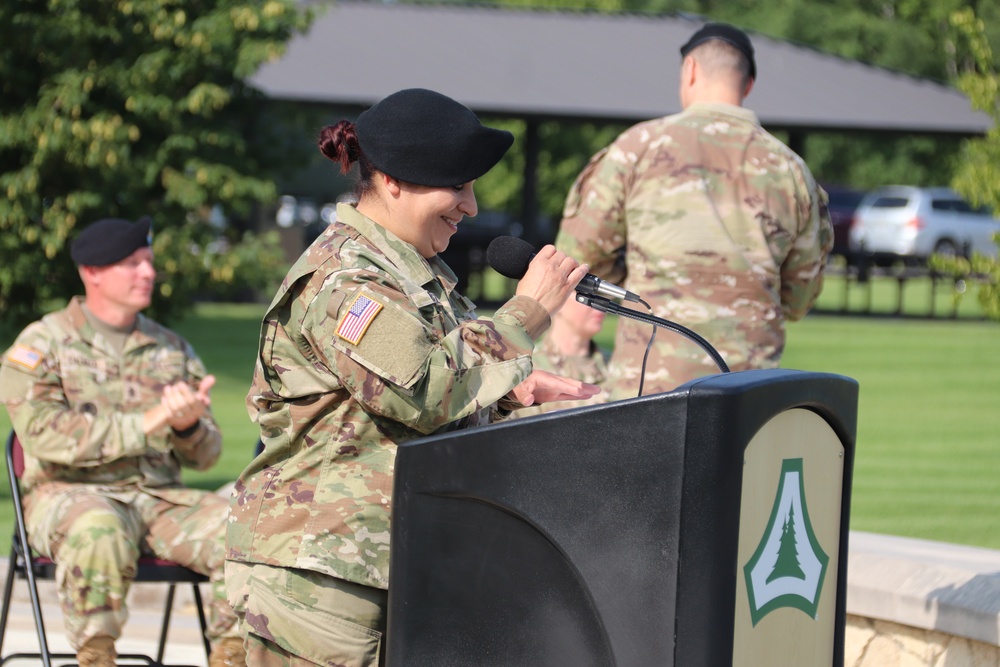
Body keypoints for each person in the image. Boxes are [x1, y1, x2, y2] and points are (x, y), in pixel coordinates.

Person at [225, 88, 599, 667]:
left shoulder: (414, 273)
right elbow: (426, 390)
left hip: (395, 559)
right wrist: (528, 313)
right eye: (458, 186)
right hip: (327, 576)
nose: (471, 207)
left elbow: (424, 385)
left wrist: (509, 394)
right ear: (395, 179)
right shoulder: (346, 279)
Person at [0, 217, 246, 667]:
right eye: (132, 264)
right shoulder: (42, 344)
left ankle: (232, 655)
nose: (148, 273)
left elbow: (208, 456)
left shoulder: (170, 349)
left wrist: (189, 426)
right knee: (100, 527)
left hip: (155, 500)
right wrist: (149, 421)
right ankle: (97, 657)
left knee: (248, 525)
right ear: (92, 272)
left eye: (149, 263)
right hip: (69, 495)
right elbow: (43, 435)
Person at [555, 22, 833, 400]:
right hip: (748, 390)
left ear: (691, 70)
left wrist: (631, 278)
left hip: (649, 385)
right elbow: (798, 299)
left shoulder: (637, 148)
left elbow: (577, 259)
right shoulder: (792, 170)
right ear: (748, 86)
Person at [511, 294, 610, 420]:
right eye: (587, 294)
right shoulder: (523, 370)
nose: (601, 303)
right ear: (558, 299)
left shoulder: (621, 367)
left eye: (605, 295)